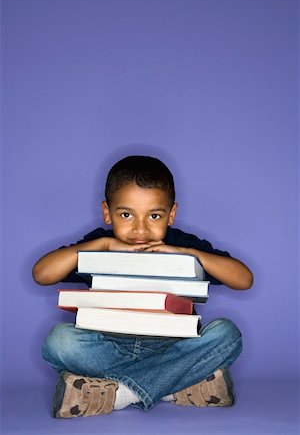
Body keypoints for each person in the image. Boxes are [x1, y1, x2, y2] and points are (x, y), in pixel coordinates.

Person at [32, 155, 253, 419]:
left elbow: (244, 279)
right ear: (107, 212)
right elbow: (41, 273)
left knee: (227, 333)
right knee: (60, 341)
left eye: (154, 215)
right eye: (126, 214)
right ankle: (176, 386)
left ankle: (120, 394)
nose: (140, 229)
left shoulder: (181, 244)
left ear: (171, 215)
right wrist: (100, 247)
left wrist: (187, 253)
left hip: (172, 346)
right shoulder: (100, 243)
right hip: (109, 346)